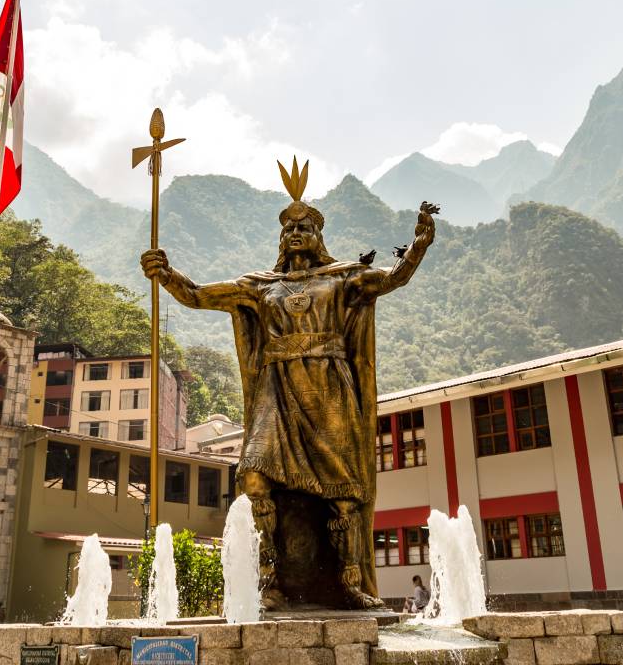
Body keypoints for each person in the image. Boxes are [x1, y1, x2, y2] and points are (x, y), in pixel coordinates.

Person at [142, 158, 436, 609]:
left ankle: (349, 583)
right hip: (276, 392)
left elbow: (394, 278)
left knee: (342, 491)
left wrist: (418, 244)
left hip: (328, 388)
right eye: (289, 227)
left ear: (319, 236)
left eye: (305, 226)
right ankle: (270, 579)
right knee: (254, 478)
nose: (295, 232)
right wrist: (166, 273)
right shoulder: (261, 286)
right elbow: (201, 295)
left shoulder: (341, 278)